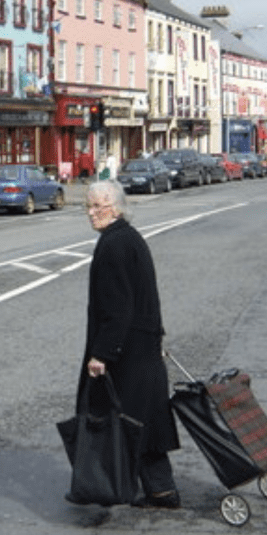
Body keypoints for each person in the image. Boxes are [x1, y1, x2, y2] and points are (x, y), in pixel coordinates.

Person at [68, 179, 181, 508]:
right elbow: (144, 297)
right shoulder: (128, 238)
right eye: (88, 206)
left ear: (116, 208)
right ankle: (161, 490)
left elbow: (117, 307)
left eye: (98, 206)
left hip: (126, 351)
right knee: (140, 420)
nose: (91, 213)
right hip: (141, 346)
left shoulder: (114, 245)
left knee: (114, 421)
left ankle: (103, 486)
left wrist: (102, 354)